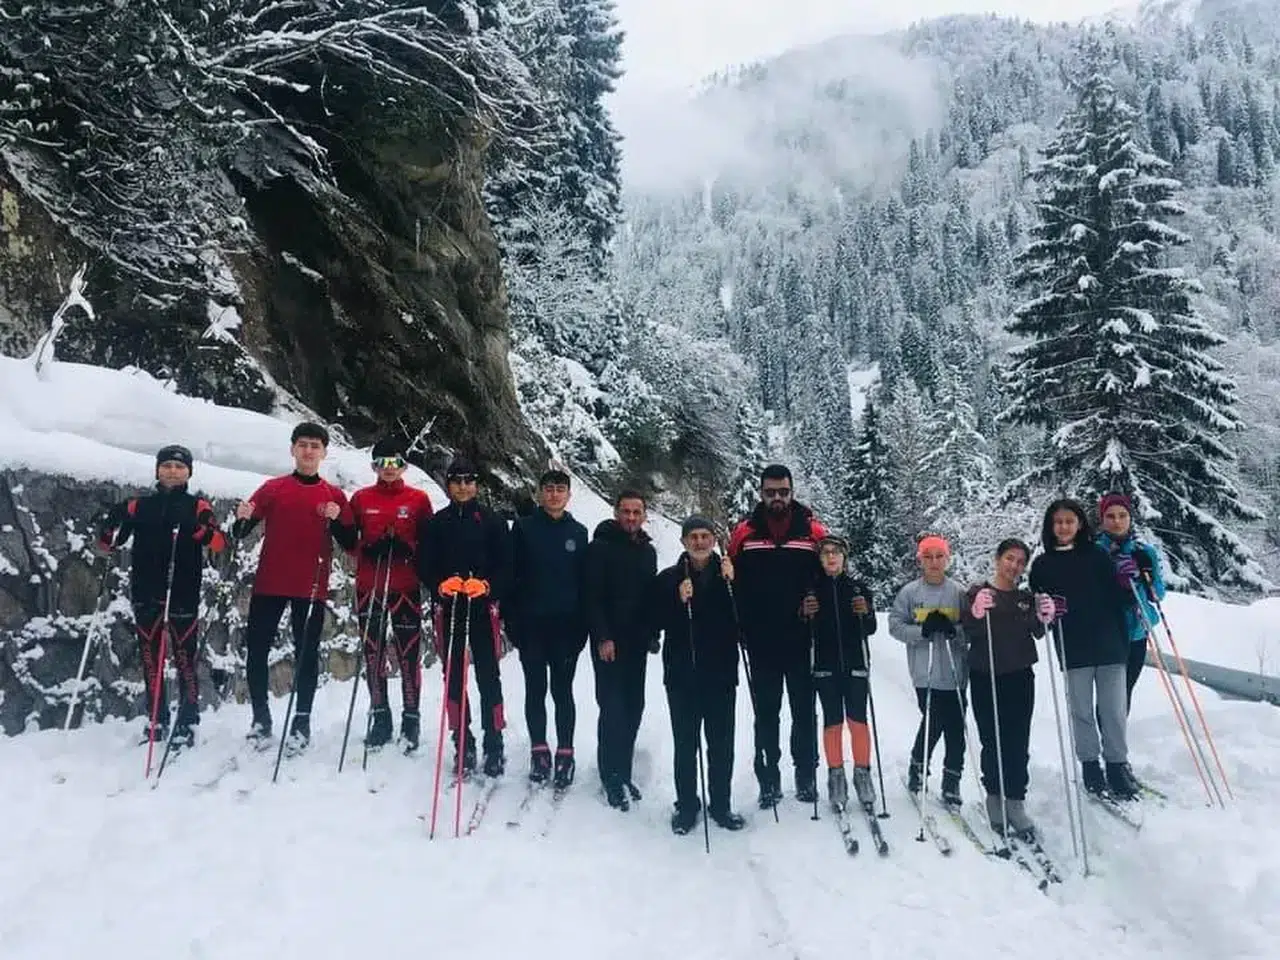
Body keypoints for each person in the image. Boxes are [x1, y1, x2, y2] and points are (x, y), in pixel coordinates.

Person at [233, 422, 356, 751]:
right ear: (292, 449)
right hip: (270, 583)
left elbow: (350, 543)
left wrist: (336, 519)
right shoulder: (273, 488)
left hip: (311, 587)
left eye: (315, 446)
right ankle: (261, 718)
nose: (308, 451)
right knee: (257, 650)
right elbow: (240, 531)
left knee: (306, 655)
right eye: (302, 445)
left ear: (324, 453)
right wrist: (241, 517)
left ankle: (301, 721)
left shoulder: (334, 495)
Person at [97, 444, 226, 748]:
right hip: (147, 589)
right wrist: (108, 528)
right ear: (157, 470)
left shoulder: (198, 506)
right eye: (166, 465)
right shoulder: (138, 506)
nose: (172, 471)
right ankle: (156, 718)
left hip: (182, 589)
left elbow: (219, 543)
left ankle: (187, 718)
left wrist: (200, 532)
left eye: (179, 467)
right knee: (151, 658)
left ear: (189, 473)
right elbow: (110, 543)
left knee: (184, 656)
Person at [728, 464, 828, 808]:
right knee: (766, 712)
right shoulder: (745, 533)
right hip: (760, 639)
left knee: (803, 710)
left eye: (782, 492)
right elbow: (732, 581)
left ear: (792, 492)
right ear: (761, 493)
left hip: (802, 637)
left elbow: (828, 574)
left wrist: (817, 600)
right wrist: (738, 622)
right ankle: (768, 779)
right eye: (770, 492)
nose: (777, 498)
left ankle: (805, 774)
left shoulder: (813, 532)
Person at [1028, 497, 1138, 800]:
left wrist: (1128, 584)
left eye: (1069, 521)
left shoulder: (1098, 556)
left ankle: (1117, 764)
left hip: (1109, 643)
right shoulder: (1042, 565)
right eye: (1058, 522)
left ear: (1080, 525)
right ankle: (1090, 765)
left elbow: (1121, 598)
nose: (1064, 527)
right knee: (1081, 710)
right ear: (1051, 527)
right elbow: (1038, 609)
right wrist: (1045, 611)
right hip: (1073, 646)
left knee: (1113, 709)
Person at [417, 455, 511, 778]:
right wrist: (439, 584)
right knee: (454, 676)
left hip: (483, 607)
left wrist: (487, 585)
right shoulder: (436, 523)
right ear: (449, 484)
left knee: (489, 675)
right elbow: (424, 565)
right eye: (457, 481)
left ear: (476, 485)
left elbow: (506, 566)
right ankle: (462, 739)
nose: (463, 487)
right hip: (450, 608)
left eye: (469, 481)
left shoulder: (493, 521)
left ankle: (494, 740)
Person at [653, 516, 746, 834]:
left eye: (705, 535)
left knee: (721, 744)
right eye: (693, 536)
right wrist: (676, 600)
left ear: (714, 540)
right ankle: (687, 806)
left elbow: (743, 619)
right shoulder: (668, 578)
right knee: (685, 744)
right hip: (682, 675)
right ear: (683, 542)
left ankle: (721, 804)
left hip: (721, 673)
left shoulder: (730, 576)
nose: (700, 542)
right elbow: (654, 622)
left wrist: (735, 584)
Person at [961, 538, 1055, 836]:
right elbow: (968, 630)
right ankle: (994, 795)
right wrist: (975, 612)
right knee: (992, 737)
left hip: (1019, 676)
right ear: (998, 558)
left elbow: (1038, 631)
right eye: (1009, 559)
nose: (1014, 566)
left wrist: (1045, 617)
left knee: (1017, 739)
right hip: (984, 674)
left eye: (1020, 562)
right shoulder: (978, 592)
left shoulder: (1025, 598)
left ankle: (1015, 799)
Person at [347, 438, 434, 752]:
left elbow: (430, 542)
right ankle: (380, 716)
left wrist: (408, 550)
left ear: (404, 466)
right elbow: (346, 537)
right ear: (374, 467)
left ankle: (411, 717)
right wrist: (366, 548)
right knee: (373, 654)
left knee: (408, 655)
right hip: (370, 587)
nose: (388, 469)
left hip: (405, 587)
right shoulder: (360, 498)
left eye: (394, 462)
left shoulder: (418, 500)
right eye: (382, 463)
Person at [508, 467, 589, 789]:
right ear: (540, 493)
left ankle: (565, 752)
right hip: (531, 625)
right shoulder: (524, 529)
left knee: (563, 691)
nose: (554, 494)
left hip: (566, 627)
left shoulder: (580, 532)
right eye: (549, 489)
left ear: (568, 495)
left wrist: (582, 628)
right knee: (535, 689)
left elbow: (586, 585)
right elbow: (512, 578)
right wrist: (512, 624)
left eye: (560, 489)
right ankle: (539, 750)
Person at [584, 488, 659, 810]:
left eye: (636, 512)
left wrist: (653, 631)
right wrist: (602, 637)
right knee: (612, 708)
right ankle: (609, 776)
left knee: (634, 706)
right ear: (616, 513)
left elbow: (650, 596)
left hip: (636, 642)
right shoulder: (599, 548)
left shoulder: (647, 551)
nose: (631, 517)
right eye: (625, 511)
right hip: (609, 642)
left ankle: (624, 771)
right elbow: (592, 596)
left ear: (644, 516)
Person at [888, 534, 969, 806]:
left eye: (939, 556)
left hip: (955, 673)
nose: (934, 562)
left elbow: (971, 629)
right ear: (919, 560)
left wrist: (954, 631)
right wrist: (922, 630)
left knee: (956, 728)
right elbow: (895, 626)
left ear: (947, 559)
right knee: (934, 721)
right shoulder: (911, 593)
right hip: (925, 673)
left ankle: (952, 779)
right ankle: (918, 765)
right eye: (928, 557)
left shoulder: (958, 592)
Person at [804, 534, 878, 811]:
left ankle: (863, 774)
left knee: (858, 721)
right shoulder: (812, 589)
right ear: (820, 558)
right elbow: (804, 628)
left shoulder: (858, 588)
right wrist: (804, 613)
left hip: (856, 663)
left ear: (844, 557)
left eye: (836, 553)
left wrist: (866, 612)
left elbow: (870, 628)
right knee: (832, 721)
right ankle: (836, 776)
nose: (831, 557)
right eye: (826, 553)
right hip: (825, 665)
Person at [1095, 492, 1167, 712]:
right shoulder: (1095, 552)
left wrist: (1141, 578)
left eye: (1122, 515)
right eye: (1110, 516)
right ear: (1102, 519)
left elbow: (1158, 593)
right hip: (1107, 632)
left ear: (1130, 517)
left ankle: (1116, 741)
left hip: (1137, 632)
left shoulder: (1144, 552)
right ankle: (1105, 740)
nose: (1117, 521)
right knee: (1109, 694)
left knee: (1125, 690)